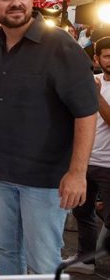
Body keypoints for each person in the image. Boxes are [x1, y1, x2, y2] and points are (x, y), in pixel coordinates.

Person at [0, 0, 98, 275]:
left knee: (44, 261)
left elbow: (86, 111)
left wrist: (77, 173)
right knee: (7, 252)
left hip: (44, 180)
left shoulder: (60, 45)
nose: (16, 3)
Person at [63, 36, 110, 274]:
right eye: (107, 56)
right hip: (86, 162)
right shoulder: (93, 80)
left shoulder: (96, 88)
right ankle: (86, 259)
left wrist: (97, 96)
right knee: (83, 213)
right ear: (96, 58)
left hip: (109, 166)